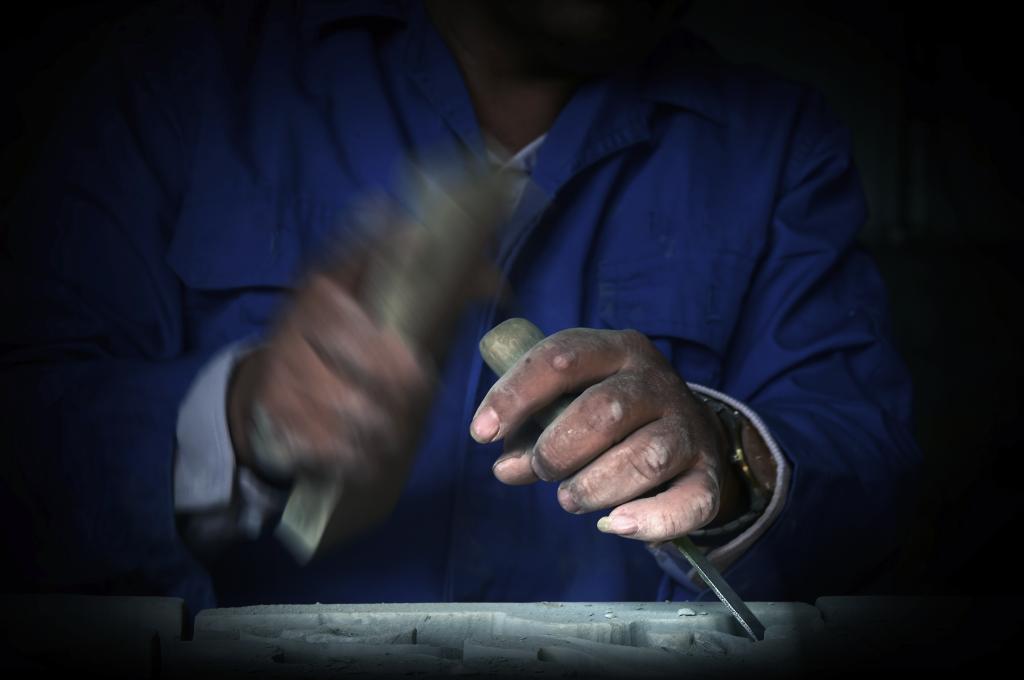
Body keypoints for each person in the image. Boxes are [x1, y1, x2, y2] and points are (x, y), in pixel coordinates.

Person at [0, 0, 920, 615]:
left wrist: (728, 458)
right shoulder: (188, 81)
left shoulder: (777, 144)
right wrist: (234, 421)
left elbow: (869, 475)